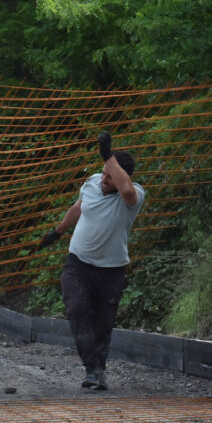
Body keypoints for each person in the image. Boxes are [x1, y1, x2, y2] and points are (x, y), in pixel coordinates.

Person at [38, 131, 146, 391]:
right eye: (104, 173)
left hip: (111, 271)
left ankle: (98, 371)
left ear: (122, 175)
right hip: (78, 263)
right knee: (76, 308)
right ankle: (91, 369)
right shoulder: (92, 182)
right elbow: (77, 208)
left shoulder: (134, 196)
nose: (104, 180)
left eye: (110, 176)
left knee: (102, 323)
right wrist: (57, 232)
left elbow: (127, 190)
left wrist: (109, 155)